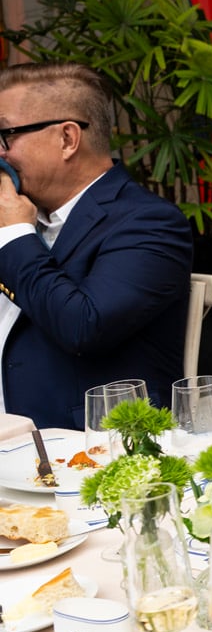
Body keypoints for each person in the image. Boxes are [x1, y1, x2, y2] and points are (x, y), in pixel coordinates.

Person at [0, 63, 192, 427]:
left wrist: (15, 236)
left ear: (67, 139)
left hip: (82, 447)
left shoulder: (148, 222)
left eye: (5, 135)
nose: (0, 154)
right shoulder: (19, 216)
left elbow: (83, 326)